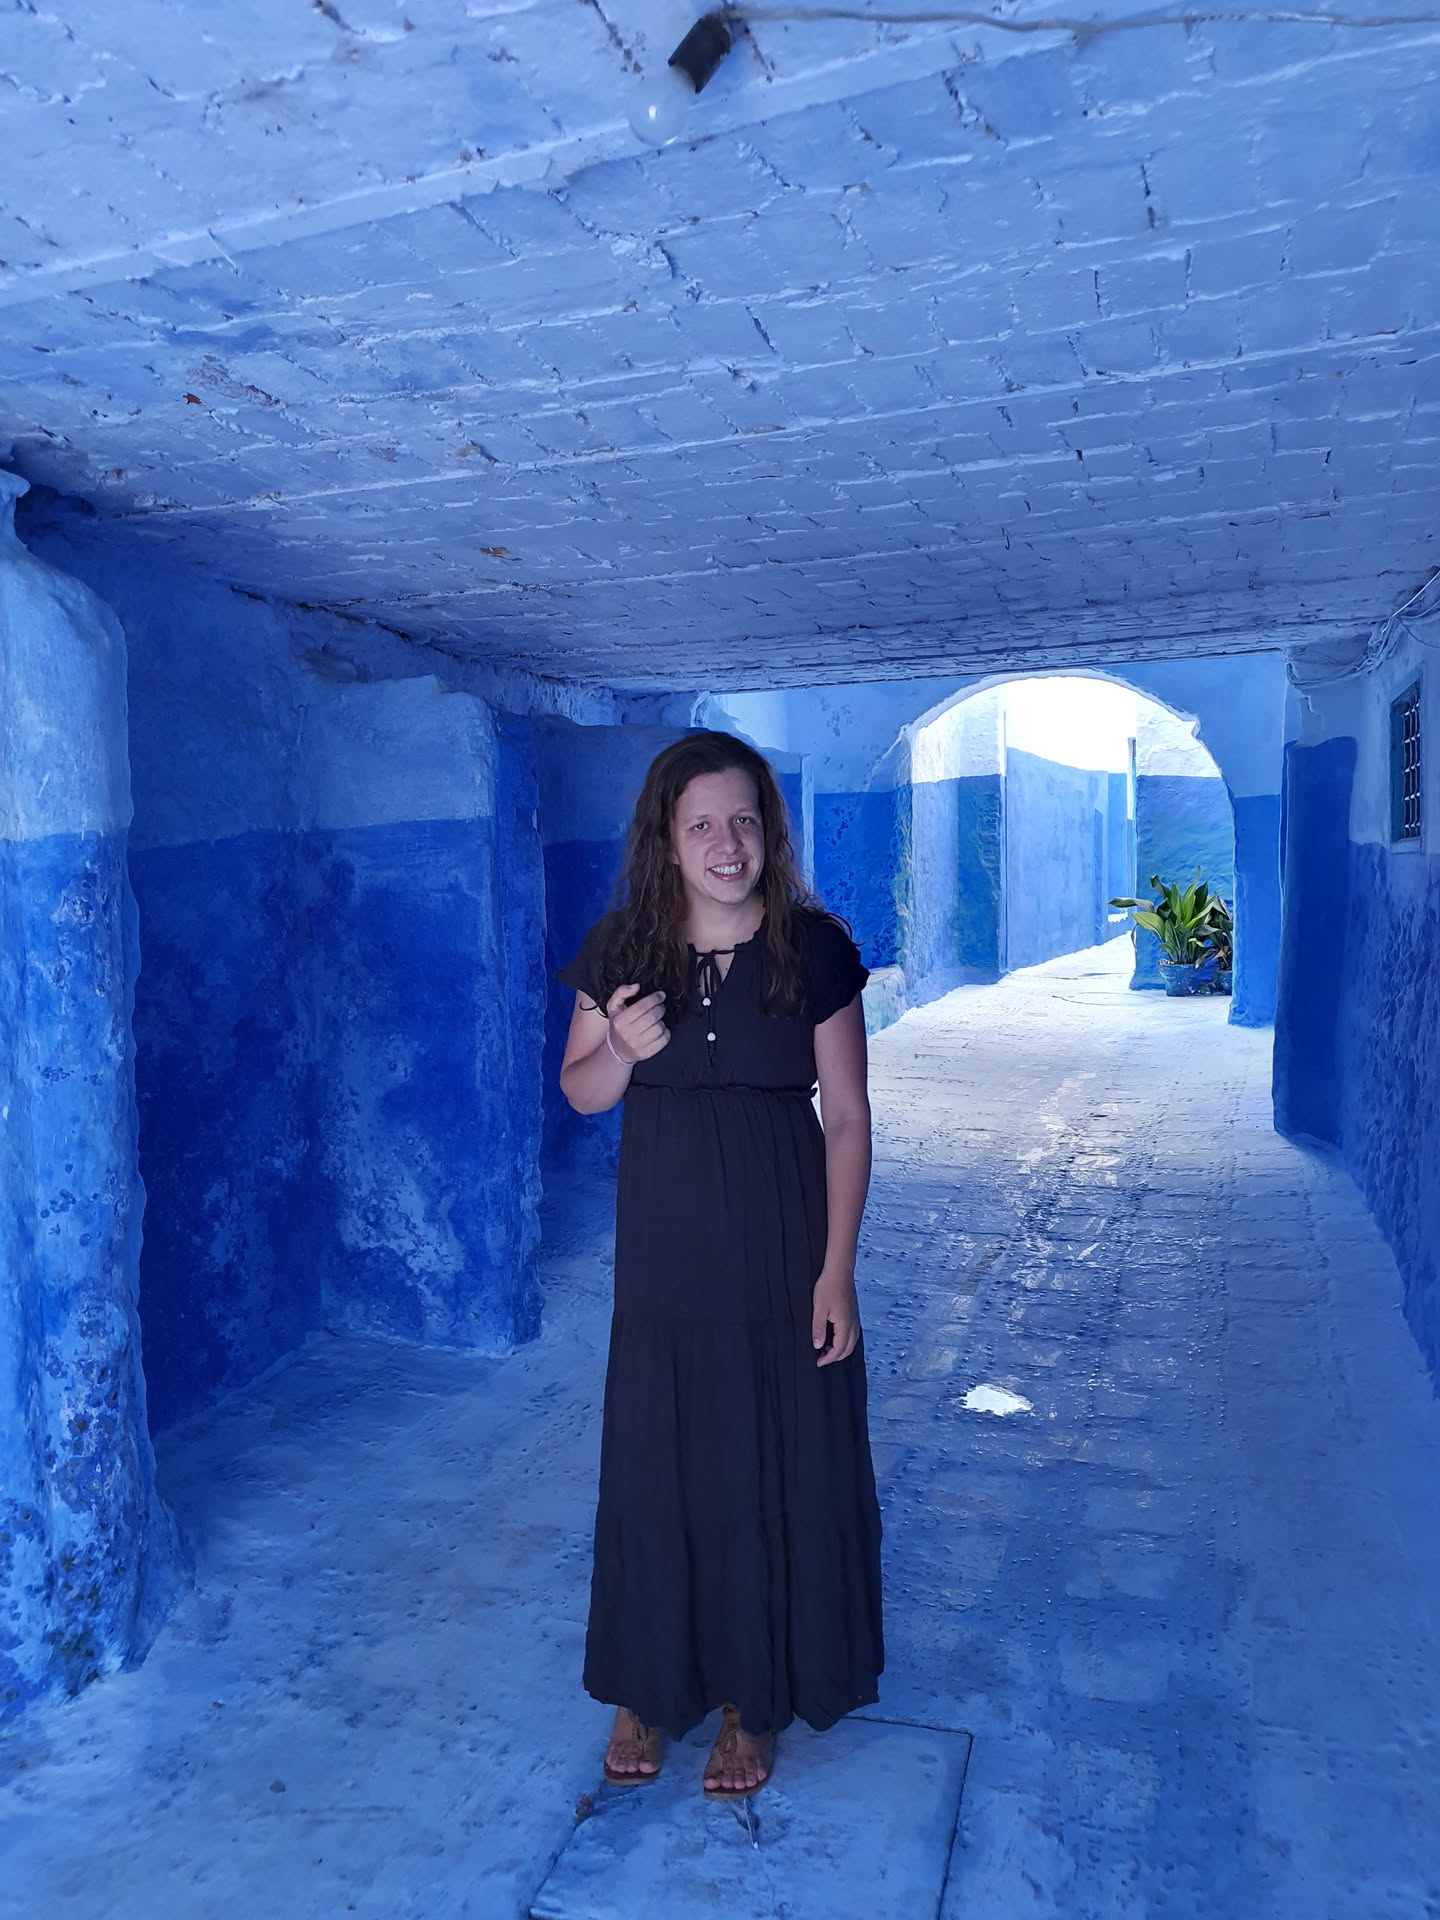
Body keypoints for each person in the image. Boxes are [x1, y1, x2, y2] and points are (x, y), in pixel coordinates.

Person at [557, 730, 883, 1799]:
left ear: (769, 831)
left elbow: (847, 1118)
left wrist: (836, 1271)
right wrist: (621, 1047)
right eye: (700, 823)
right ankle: (646, 1683)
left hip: (783, 1253)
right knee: (658, 1458)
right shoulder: (621, 950)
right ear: (666, 839)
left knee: (770, 1460)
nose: (725, 842)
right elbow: (580, 1091)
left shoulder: (812, 950)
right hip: (665, 1259)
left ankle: (752, 1694)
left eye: (743, 819)